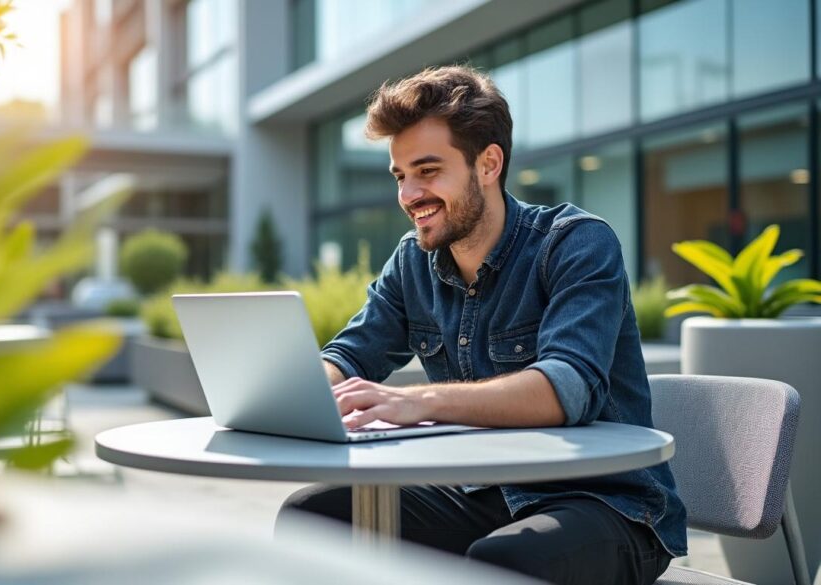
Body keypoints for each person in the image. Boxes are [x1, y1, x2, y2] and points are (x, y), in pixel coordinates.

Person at [275, 66, 686, 585]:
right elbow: (350, 355)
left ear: (488, 163)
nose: (409, 194)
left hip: (606, 503)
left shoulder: (575, 243)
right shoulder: (412, 262)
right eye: (401, 175)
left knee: (503, 563)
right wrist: (295, 389)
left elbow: (566, 389)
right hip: (485, 492)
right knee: (312, 517)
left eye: (427, 170)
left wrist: (416, 403)